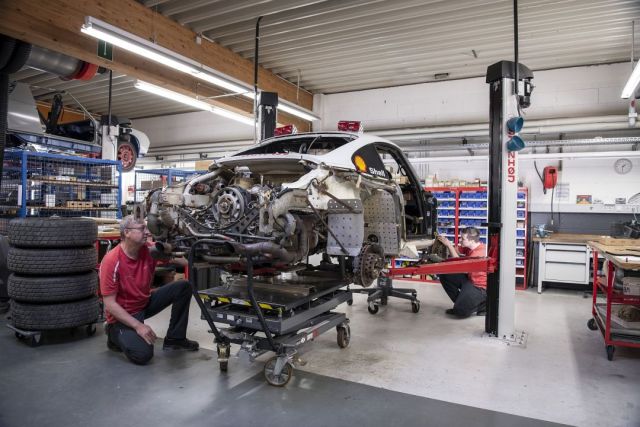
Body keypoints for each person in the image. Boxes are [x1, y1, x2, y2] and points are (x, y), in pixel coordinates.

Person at [99, 215, 199, 365]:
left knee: (183, 286)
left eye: (146, 228)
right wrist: (138, 326)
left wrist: (184, 252)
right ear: (126, 232)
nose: (147, 232)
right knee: (143, 355)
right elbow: (109, 304)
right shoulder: (112, 260)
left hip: (144, 303)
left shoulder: (148, 250)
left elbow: (180, 260)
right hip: (125, 313)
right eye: (141, 229)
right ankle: (113, 335)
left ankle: (175, 339)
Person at [437, 227, 487, 318]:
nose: (460, 240)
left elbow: (459, 266)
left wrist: (449, 245)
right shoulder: (469, 247)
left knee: (460, 313)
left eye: (463, 238)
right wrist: (444, 242)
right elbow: (456, 250)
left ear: (471, 240)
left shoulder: (478, 254)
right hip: (470, 279)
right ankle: (461, 303)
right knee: (445, 275)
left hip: (479, 287)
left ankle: (482, 305)